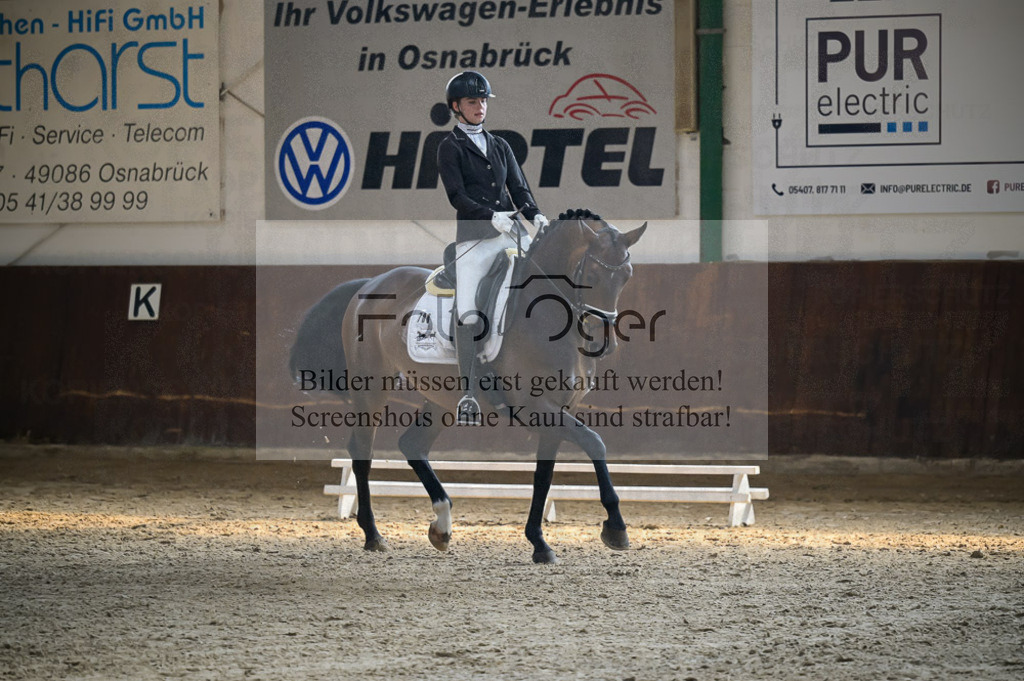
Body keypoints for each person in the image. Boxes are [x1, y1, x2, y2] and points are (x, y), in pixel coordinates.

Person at [437, 71, 549, 426]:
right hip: (475, 238)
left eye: (483, 101)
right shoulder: (449, 147)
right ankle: (469, 394)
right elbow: (457, 196)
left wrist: (536, 216)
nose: (480, 107)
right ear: (457, 107)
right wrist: (490, 216)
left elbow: (520, 188)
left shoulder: (501, 145)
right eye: (472, 102)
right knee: (469, 313)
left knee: (546, 282)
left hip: (511, 233)